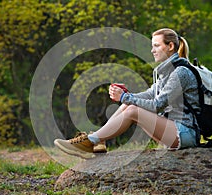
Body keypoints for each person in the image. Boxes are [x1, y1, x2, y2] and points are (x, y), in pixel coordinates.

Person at [54, 28, 200, 158]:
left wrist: (125, 97)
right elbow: (149, 94)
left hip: (185, 133)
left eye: (156, 46)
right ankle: (99, 141)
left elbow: (157, 105)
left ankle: (90, 141)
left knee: (132, 110)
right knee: (127, 104)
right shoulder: (167, 71)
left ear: (170, 46)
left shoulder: (181, 72)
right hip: (172, 128)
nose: (152, 50)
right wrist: (125, 95)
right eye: (152, 46)